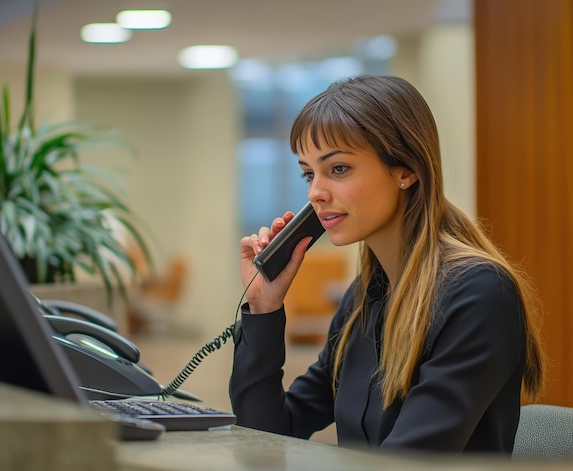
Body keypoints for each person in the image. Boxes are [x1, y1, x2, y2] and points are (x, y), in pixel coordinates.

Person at [229, 74, 545, 454]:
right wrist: (264, 307)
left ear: (406, 170)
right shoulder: (365, 297)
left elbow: (407, 461)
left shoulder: (479, 294)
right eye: (309, 173)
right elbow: (265, 434)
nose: (315, 192)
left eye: (339, 169)